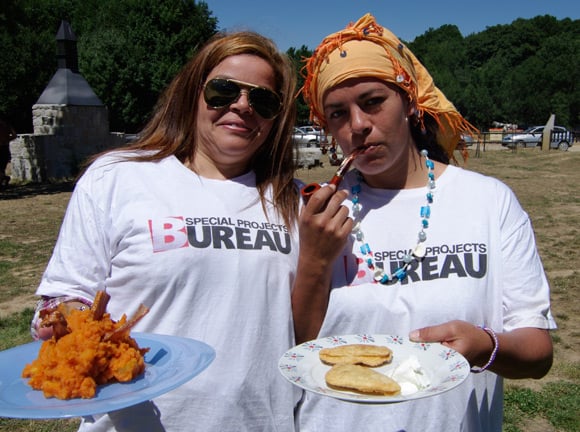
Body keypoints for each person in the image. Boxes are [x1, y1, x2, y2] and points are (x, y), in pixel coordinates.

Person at [292, 14, 555, 432]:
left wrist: (485, 345)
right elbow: (299, 350)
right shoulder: (317, 214)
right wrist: (314, 260)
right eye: (338, 113)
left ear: (410, 102)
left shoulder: (488, 201)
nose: (358, 125)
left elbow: (538, 352)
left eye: (373, 101)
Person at [30, 31, 301, 431]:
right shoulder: (118, 177)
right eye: (223, 90)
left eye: (263, 100)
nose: (242, 106)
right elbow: (65, 295)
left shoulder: (295, 199)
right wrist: (65, 317)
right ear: (192, 93)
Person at [0, 118, 16, 188]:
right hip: (4, 147)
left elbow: (14, 135)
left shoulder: (6, 125)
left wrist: (6, 140)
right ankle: (4, 179)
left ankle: (3, 180)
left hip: (4, 148)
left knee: (1, 167)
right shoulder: (6, 125)